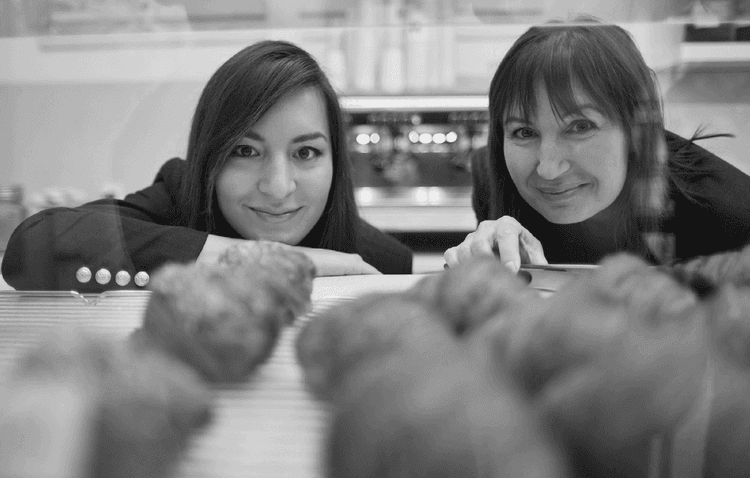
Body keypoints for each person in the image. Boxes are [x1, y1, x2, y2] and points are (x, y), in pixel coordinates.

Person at [1, 40, 413, 292]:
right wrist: (263, 259)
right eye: (245, 151)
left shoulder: (381, 264)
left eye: (305, 153)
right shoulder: (178, 195)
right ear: (209, 157)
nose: (277, 186)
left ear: (336, 164)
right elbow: (33, 247)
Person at [444, 17, 750, 271]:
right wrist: (485, 261)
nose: (549, 169)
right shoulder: (492, 174)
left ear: (637, 131)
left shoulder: (729, 217)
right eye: (524, 132)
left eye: (580, 127)